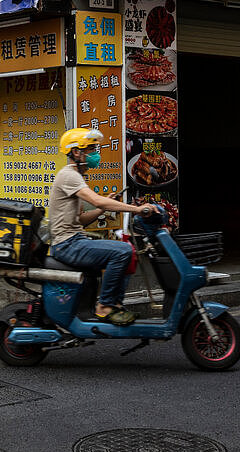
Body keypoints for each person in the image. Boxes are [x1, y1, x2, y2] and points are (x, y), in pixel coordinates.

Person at [49, 127, 158, 326]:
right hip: (67, 244)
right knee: (122, 251)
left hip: (75, 239)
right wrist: (136, 209)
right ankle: (105, 306)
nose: (95, 155)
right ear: (76, 152)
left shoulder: (76, 176)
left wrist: (102, 210)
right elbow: (98, 201)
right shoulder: (69, 175)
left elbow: (80, 219)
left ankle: (114, 303)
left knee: (127, 251)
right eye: (91, 150)